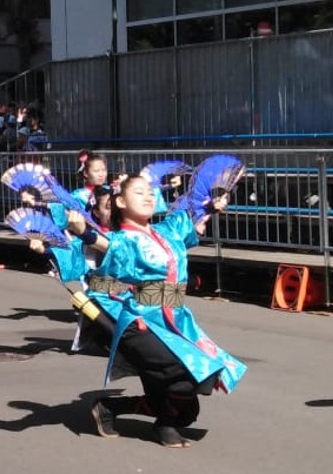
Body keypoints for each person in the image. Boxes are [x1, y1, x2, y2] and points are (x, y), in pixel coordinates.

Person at [77, 175, 247, 448]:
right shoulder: (123, 239)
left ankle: (115, 409)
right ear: (120, 201)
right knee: (184, 376)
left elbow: (189, 221)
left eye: (150, 192)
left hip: (175, 319)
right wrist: (82, 231)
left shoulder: (165, 230)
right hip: (141, 321)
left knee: (187, 411)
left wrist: (211, 206)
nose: (147, 196)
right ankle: (159, 419)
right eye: (139, 192)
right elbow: (106, 245)